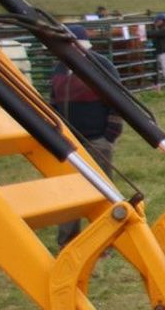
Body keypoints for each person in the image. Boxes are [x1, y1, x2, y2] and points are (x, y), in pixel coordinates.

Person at [51, 25, 123, 250]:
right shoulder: (59, 69)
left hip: (96, 139)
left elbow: (118, 100)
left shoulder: (101, 65)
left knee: (101, 191)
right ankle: (68, 243)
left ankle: (104, 243)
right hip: (69, 141)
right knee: (68, 192)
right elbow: (53, 101)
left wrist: (109, 134)